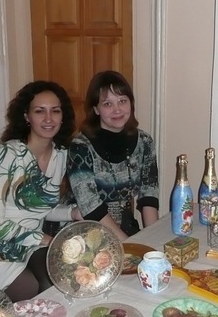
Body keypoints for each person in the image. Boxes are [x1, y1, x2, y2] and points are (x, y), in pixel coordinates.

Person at [0, 81, 82, 302]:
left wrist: (72, 213)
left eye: (55, 111)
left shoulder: (60, 154)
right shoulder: (8, 154)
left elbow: (39, 209)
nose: (48, 118)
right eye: (39, 111)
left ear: (63, 116)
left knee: (57, 279)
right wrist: (45, 238)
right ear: (27, 116)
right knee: (29, 287)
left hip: (29, 245)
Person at [67, 70, 159, 241]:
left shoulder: (144, 141)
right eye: (107, 104)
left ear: (131, 103)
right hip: (85, 234)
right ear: (96, 109)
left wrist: (153, 239)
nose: (117, 109)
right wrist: (128, 245)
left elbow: (149, 195)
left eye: (122, 101)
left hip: (126, 228)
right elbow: (90, 206)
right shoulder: (80, 147)